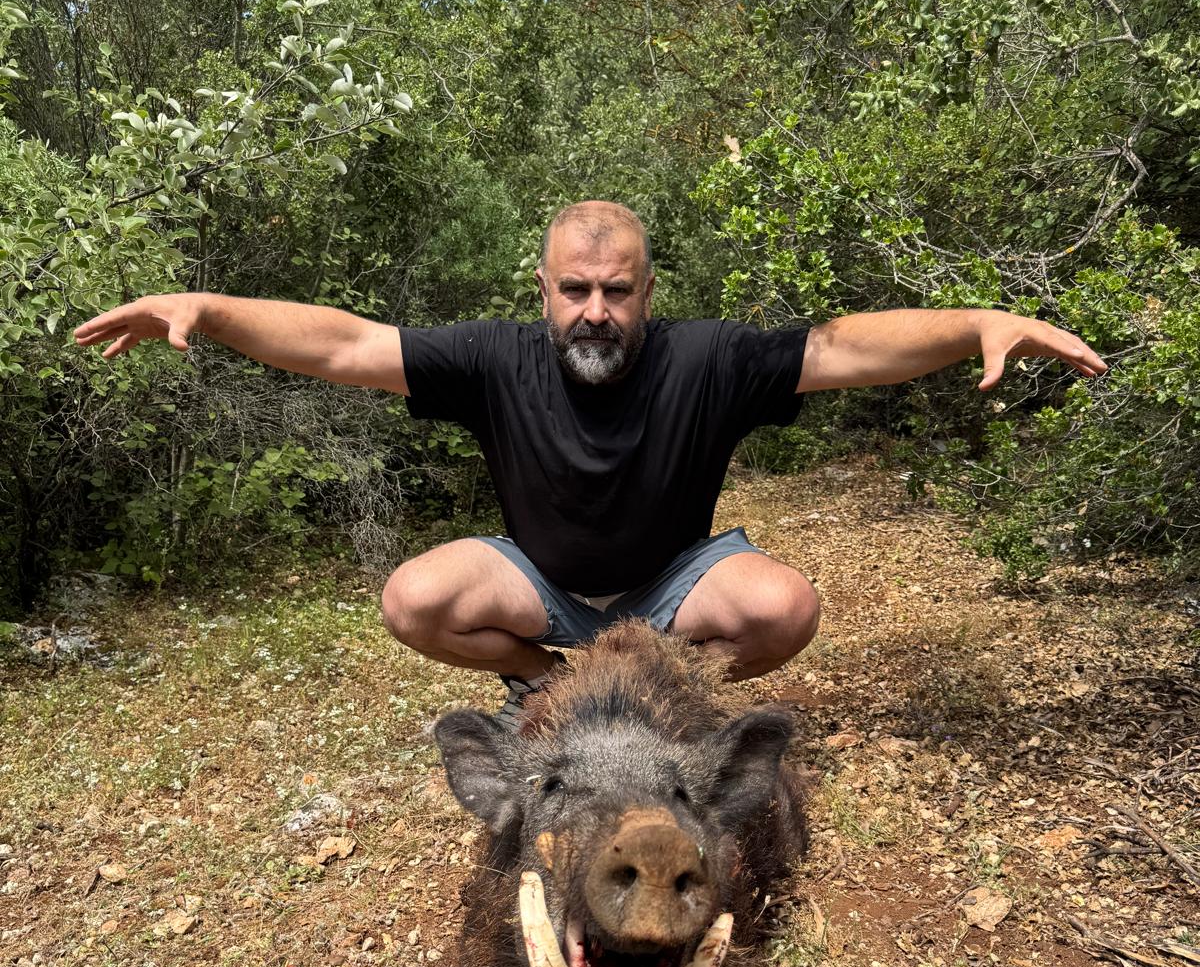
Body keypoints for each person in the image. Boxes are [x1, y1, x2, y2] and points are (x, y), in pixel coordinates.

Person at [74, 200, 1106, 723]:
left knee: (787, 605)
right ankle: (546, 688)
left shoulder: (710, 358)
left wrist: (974, 318)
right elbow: (344, 343)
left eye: (617, 291)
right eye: (576, 290)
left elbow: (842, 346)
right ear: (544, 289)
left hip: (672, 587)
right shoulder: (492, 359)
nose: (595, 311)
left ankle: (656, 692)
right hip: (544, 588)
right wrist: (206, 311)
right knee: (411, 597)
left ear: (648, 293)